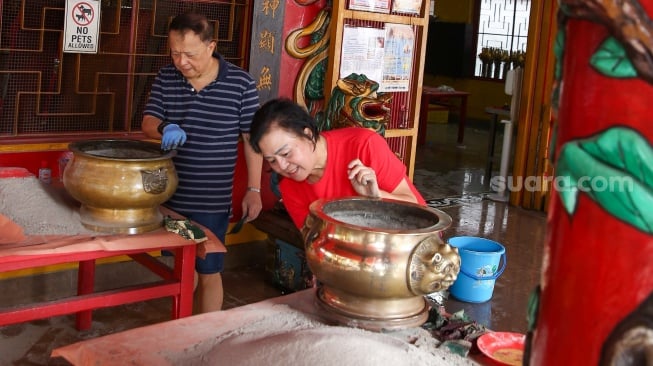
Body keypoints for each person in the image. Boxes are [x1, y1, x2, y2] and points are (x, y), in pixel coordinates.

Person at [142, 12, 262, 313]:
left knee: (209, 268)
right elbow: (148, 121)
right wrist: (163, 128)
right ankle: (183, 329)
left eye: (190, 55)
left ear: (211, 47)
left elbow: (253, 142)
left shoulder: (241, 84)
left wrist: (254, 190)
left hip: (211, 200)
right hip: (171, 197)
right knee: (182, 269)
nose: (181, 62)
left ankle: (208, 334)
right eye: (175, 53)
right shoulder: (166, 77)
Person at [248, 98, 425, 229]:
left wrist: (375, 196)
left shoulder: (363, 145)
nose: (282, 166)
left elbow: (420, 213)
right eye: (272, 160)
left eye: (286, 153)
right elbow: (313, 242)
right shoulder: (289, 186)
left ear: (308, 135)